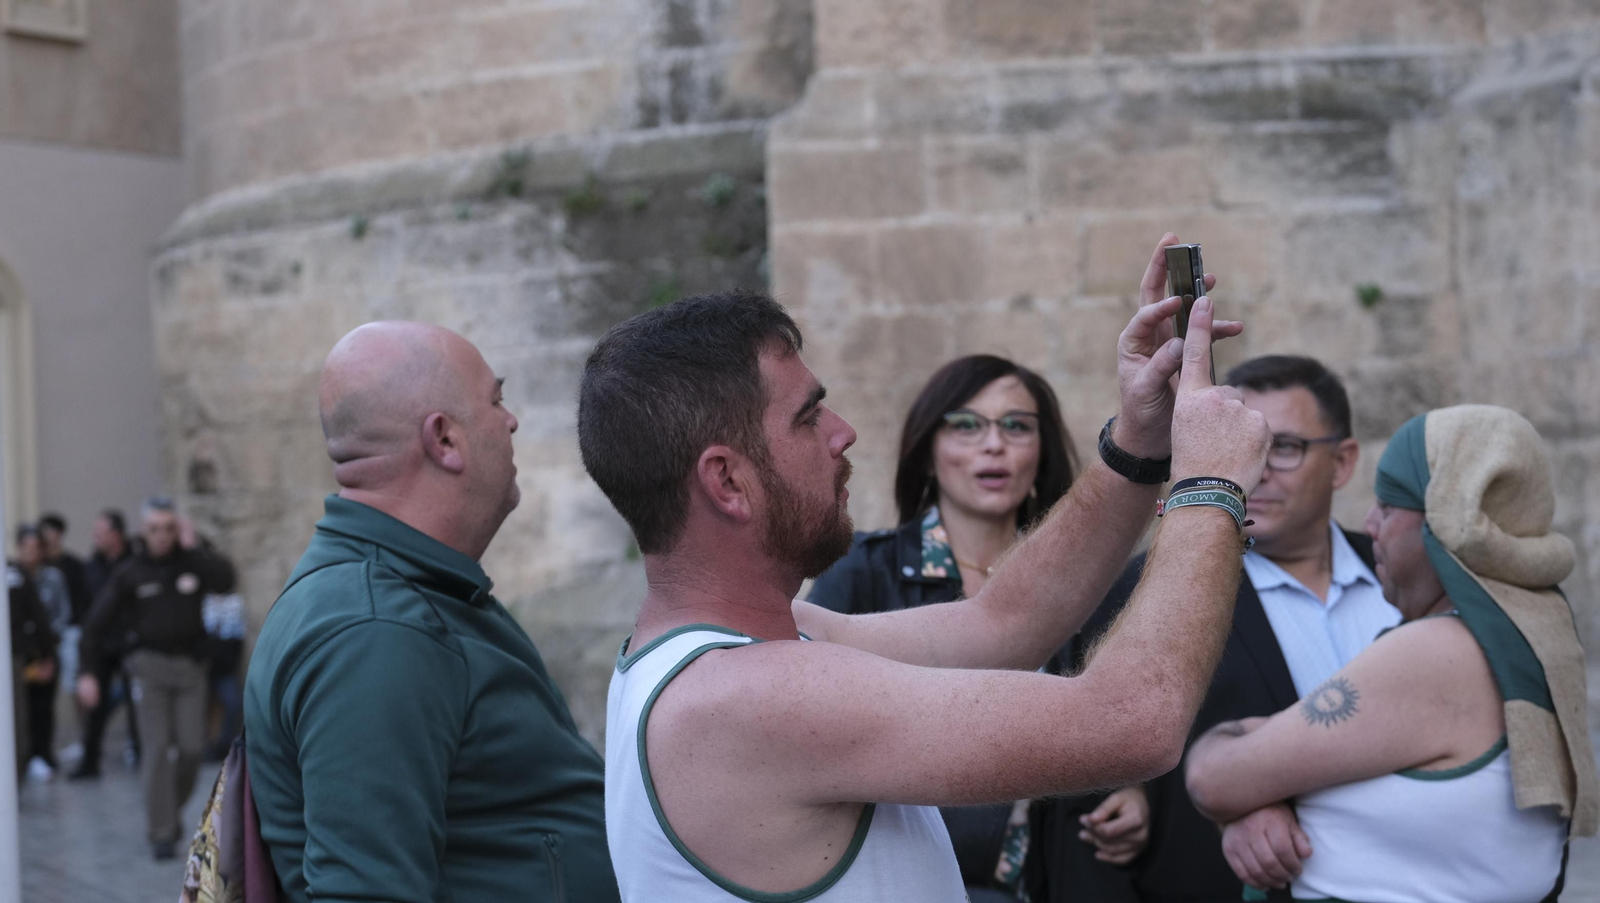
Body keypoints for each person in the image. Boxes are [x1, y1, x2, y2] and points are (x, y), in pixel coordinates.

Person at [582, 233, 1272, 901]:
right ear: (727, 481)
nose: (843, 431)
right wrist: (1207, 483)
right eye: (807, 416)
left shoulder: (748, 645)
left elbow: (1005, 622)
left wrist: (1140, 442)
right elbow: (1132, 719)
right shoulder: (745, 696)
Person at [244, 321, 620, 903]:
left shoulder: (408, 595)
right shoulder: (376, 633)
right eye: (496, 399)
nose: (511, 419)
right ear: (444, 439)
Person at [1185, 404, 1597, 903]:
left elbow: (1214, 778)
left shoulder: (1439, 651)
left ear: (1445, 522)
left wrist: (1250, 781)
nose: (1370, 524)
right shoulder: (1529, 638)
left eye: (1388, 505)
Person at [1052, 355, 1398, 903]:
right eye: (1247, 446)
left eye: (1283, 447)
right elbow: (1094, 782)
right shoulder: (1149, 591)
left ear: (1342, 461)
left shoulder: (1403, 578)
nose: (1258, 469)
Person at [808, 354, 1146, 899]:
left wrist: (1134, 795)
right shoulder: (862, 573)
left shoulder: (1091, 582)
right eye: (967, 425)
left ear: (1042, 450)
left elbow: (1124, 712)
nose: (995, 444)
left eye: (1017, 426)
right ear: (928, 450)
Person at [77, 497, 226, 859]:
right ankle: (162, 830)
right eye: (154, 528)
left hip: (190, 668)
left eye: (169, 528)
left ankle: (166, 810)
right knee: (156, 749)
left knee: (192, 749)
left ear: (178, 530)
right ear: (144, 531)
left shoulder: (193, 563)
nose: (162, 536)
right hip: (149, 667)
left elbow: (226, 579)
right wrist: (87, 673)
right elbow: (95, 626)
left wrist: (196, 547)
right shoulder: (130, 571)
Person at [71, 508, 140, 779]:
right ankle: (90, 760)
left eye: (100, 533)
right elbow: (86, 608)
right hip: (102, 644)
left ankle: (141, 753)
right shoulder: (92, 568)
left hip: (131, 643)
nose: (95, 537)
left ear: (116, 534)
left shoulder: (136, 562)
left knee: (137, 703)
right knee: (95, 706)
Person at [15, 524, 71, 778]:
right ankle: (22, 756)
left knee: (42, 707)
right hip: (20, 654)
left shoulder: (52, 578)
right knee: (20, 707)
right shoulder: (12, 577)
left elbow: (62, 613)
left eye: (35, 548)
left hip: (46, 649)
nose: (30, 554)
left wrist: (49, 643)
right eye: (26, 548)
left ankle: (42, 753)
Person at [6, 559, 57, 783]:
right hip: (12, 656)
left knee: (14, 719)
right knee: (13, 720)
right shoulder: (15, 572)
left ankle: (13, 783)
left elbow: (37, 613)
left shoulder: (15, 572)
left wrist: (46, 653)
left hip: (12, 656)